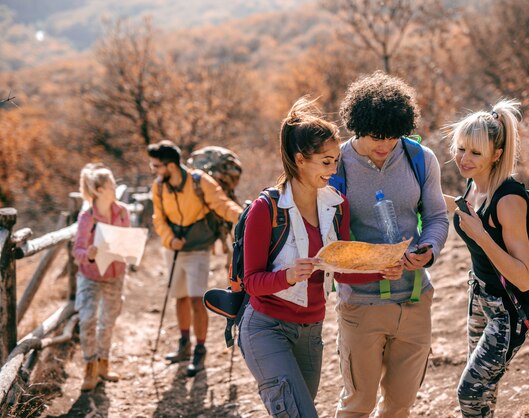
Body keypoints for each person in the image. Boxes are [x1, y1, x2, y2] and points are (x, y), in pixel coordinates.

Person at [239, 97, 403, 418]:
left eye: (336, 161)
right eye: (326, 162)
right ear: (300, 160)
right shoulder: (266, 209)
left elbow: (340, 269)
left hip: (312, 332)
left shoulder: (336, 204)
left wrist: (380, 269)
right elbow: (252, 283)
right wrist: (286, 276)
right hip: (266, 329)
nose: (333, 170)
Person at [331, 72, 449, 417]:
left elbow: (438, 217)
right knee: (358, 404)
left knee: (400, 406)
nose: (384, 146)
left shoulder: (420, 158)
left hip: (415, 300)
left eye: (392, 137)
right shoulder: (335, 164)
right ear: (355, 127)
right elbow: (328, 239)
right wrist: (370, 263)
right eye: (374, 137)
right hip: (361, 305)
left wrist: (427, 251)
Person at [445, 100, 529, 417]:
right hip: (480, 298)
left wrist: (481, 236)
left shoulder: (508, 200)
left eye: (475, 153)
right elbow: (465, 211)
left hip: (509, 308)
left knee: (470, 394)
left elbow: (525, 278)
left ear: (496, 155)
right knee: (485, 392)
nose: (464, 159)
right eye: (461, 149)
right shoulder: (475, 184)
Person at [148, 140, 243, 376]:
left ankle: (200, 350)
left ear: (170, 165)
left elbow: (222, 205)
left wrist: (245, 217)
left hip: (198, 248)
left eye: (157, 166)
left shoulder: (200, 182)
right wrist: (171, 239)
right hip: (174, 249)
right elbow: (158, 218)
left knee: (196, 298)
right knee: (180, 298)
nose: (155, 171)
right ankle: (184, 345)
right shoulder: (159, 187)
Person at [73, 163, 130, 391]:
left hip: (115, 275)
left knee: (108, 321)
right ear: (98, 190)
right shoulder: (87, 217)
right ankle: (90, 367)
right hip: (90, 276)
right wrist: (89, 253)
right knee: (87, 319)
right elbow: (77, 251)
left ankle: (104, 364)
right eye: (110, 184)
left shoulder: (123, 212)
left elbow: (127, 240)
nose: (115, 187)